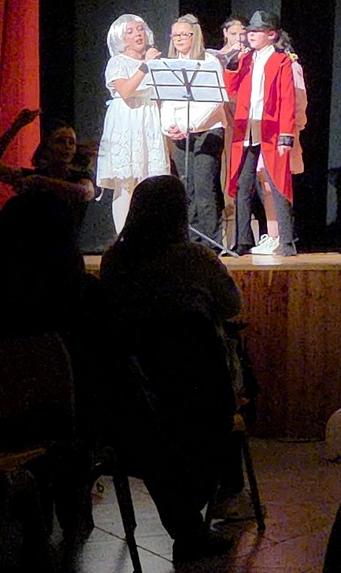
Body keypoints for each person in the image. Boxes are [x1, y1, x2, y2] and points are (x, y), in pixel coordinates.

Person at [99, 176, 242, 564]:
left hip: (134, 387)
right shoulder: (195, 259)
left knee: (154, 440)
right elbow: (232, 305)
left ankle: (188, 521)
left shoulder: (114, 261)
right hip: (200, 391)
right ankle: (211, 501)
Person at [223, 10, 306, 257]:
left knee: (277, 183)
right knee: (242, 183)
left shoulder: (281, 61)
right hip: (247, 128)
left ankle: (287, 242)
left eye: (257, 32)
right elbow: (230, 89)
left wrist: (286, 135)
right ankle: (242, 241)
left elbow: (287, 99)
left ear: (271, 35)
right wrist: (233, 62)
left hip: (271, 129)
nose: (251, 36)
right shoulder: (246, 60)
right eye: (250, 31)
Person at [160, 14, 231, 248]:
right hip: (180, 133)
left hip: (207, 131)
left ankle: (212, 244)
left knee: (204, 186)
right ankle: (191, 242)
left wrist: (190, 125)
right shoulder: (170, 64)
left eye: (185, 34)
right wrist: (169, 126)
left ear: (195, 36)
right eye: (175, 35)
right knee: (186, 187)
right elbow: (167, 100)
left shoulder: (209, 61)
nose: (179, 39)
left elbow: (215, 100)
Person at [97, 13, 170, 234]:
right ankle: (123, 237)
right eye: (130, 31)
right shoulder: (117, 62)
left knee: (150, 181)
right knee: (126, 181)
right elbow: (126, 91)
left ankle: (148, 235)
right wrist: (145, 66)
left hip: (149, 118)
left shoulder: (154, 61)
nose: (138, 34)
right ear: (121, 38)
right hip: (126, 119)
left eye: (140, 29)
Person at [0, 109, 96, 215]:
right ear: (47, 147)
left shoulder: (80, 177)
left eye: (71, 143)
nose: (67, 146)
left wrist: (40, 181)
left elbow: (85, 192)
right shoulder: (32, 176)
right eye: (60, 141)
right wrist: (15, 127)